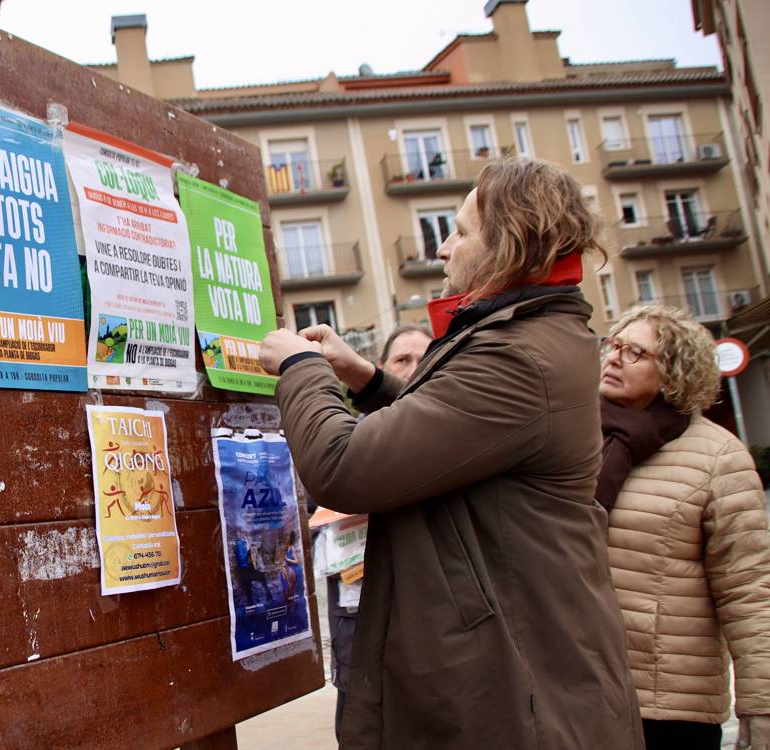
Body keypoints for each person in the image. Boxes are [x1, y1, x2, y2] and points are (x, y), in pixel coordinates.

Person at [259, 157, 641, 749]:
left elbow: (342, 466)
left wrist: (299, 368)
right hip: (518, 676)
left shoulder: (517, 356)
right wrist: (365, 377)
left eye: (461, 232)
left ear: (509, 247)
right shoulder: (528, 335)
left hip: (518, 695)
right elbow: (461, 435)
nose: (443, 248)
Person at [597, 305, 770, 750]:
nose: (613, 358)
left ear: (674, 372)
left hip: (669, 703)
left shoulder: (718, 459)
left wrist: (761, 702)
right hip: (582, 691)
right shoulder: (575, 437)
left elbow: (748, 589)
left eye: (635, 352)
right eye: (612, 345)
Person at [316, 323, 433, 739]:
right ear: (379, 367)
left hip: (424, 645)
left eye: (424, 359)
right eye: (403, 360)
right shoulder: (345, 437)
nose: (414, 369)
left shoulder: (449, 440)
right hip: (354, 629)